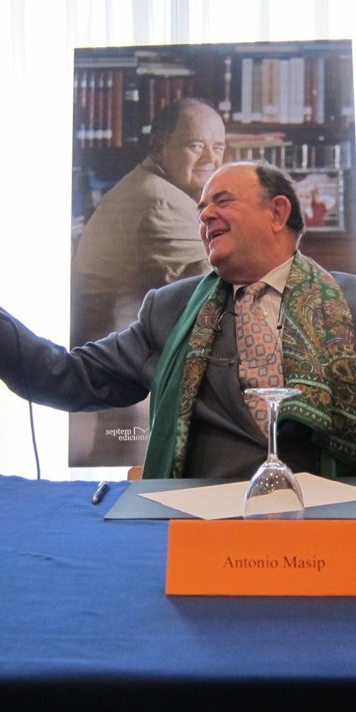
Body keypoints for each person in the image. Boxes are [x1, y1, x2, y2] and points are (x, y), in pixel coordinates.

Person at [0, 161, 356, 480]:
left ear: (278, 213)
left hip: (336, 535)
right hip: (198, 534)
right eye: (200, 208)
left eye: (222, 201)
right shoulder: (170, 310)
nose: (205, 214)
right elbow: (67, 376)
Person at [69, 97, 226, 463]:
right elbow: (226, 291)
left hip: (116, 382)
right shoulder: (161, 202)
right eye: (196, 146)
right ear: (158, 147)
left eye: (218, 147)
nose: (211, 159)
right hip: (124, 397)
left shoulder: (151, 187)